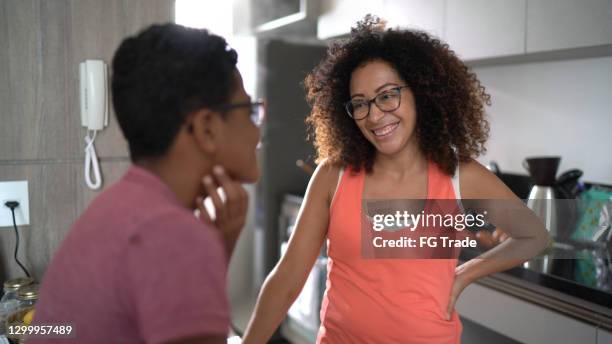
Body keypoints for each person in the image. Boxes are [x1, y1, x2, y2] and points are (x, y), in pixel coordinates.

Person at [243, 16, 549, 344]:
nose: (374, 115)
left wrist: (465, 274)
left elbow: (534, 237)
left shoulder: (461, 176)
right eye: (360, 103)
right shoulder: (334, 175)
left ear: (419, 92)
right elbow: (287, 278)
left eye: (387, 95)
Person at [29, 23, 262, 344]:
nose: (257, 131)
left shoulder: (123, 207)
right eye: (249, 110)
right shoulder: (171, 234)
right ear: (207, 128)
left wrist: (220, 247)